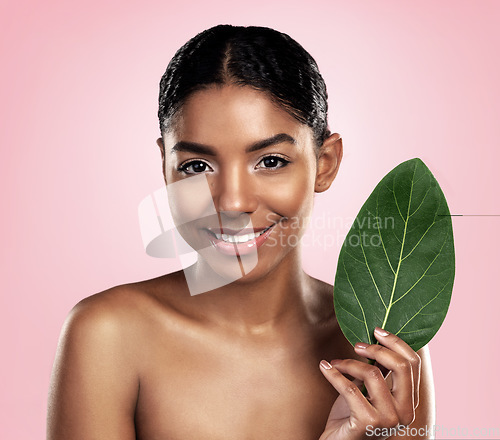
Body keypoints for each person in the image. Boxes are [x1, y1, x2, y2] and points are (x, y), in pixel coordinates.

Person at [47, 25, 435, 440]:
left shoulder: (385, 352)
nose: (232, 202)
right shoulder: (108, 335)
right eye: (197, 166)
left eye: (270, 161)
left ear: (325, 163)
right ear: (165, 166)